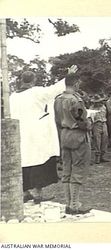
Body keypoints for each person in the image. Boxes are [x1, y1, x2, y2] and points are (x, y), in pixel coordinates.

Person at [10, 69, 70, 204]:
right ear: (34, 80)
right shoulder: (36, 92)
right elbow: (54, 89)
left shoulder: (13, 96)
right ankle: (37, 195)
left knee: (23, 162)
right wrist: (68, 76)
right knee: (39, 161)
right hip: (36, 135)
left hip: (21, 134)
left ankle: (25, 193)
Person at [54, 71, 92, 215]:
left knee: (67, 170)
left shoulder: (58, 99)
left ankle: (68, 203)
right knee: (77, 170)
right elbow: (82, 121)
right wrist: (90, 124)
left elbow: (58, 120)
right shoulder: (76, 100)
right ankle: (74, 204)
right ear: (76, 83)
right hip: (78, 136)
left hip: (64, 134)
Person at [89, 94, 109, 164]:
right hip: (96, 124)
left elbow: (106, 115)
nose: (98, 103)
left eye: (99, 101)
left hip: (104, 123)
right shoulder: (91, 108)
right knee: (97, 141)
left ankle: (102, 156)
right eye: (96, 102)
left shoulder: (103, 107)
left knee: (105, 139)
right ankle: (97, 156)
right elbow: (90, 119)